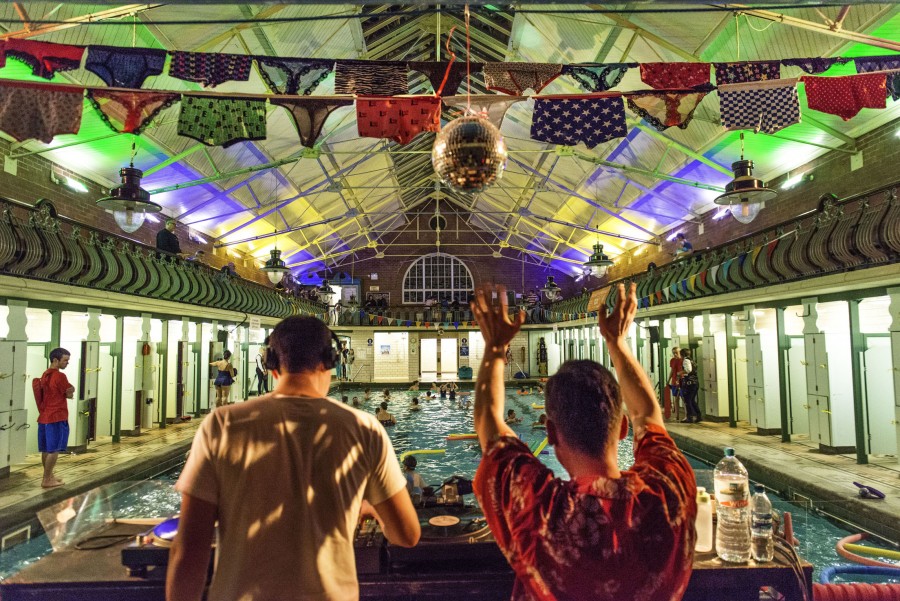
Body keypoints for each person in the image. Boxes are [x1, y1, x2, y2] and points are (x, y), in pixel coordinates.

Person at [469, 283, 697, 601]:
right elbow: (648, 414)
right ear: (621, 429)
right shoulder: (668, 493)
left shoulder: (541, 512)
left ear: (549, 432)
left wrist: (495, 348)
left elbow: (488, 424)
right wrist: (617, 342)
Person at [167, 316, 419, 601]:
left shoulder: (222, 425)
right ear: (330, 360)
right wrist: (370, 508)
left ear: (272, 363)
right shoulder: (364, 428)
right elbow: (407, 534)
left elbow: (189, 548)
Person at [36, 347, 75, 488]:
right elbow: (69, 392)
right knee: (54, 449)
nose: (67, 363)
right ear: (55, 360)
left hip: (44, 417)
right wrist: (70, 392)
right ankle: (47, 479)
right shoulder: (60, 376)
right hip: (57, 417)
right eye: (65, 360)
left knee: (47, 449)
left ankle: (49, 475)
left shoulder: (45, 374)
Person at [679, 348, 701, 423]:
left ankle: (690, 417)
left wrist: (680, 373)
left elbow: (688, 370)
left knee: (687, 400)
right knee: (692, 400)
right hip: (695, 382)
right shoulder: (692, 360)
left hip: (690, 383)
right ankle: (698, 416)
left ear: (682, 354)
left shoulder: (686, 360)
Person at [669, 346, 682, 419]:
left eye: (676, 353)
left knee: (683, 398)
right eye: (674, 353)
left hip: (681, 381)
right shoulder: (672, 360)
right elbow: (672, 371)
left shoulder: (683, 360)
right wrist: (668, 380)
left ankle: (686, 416)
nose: (675, 355)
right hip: (674, 381)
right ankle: (677, 416)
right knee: (676, 399)